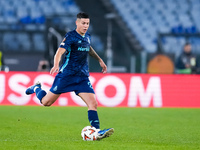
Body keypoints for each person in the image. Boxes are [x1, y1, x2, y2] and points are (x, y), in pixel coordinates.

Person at [25, 12, 114, 140]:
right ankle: (36, 88)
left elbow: (88, 48)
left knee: (93, 103)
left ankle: (97, 131)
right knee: (46, 102)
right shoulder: (70, 36)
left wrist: (100, 60)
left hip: (82, 77)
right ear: (76, 23)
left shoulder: (87, 36)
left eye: (87, 23)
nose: (85, 26)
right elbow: (59, 52)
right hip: (66, 76)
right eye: (83, 23)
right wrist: (56, 65)